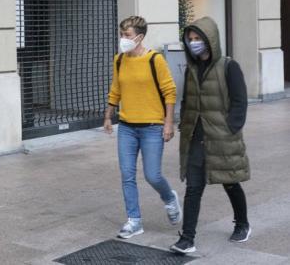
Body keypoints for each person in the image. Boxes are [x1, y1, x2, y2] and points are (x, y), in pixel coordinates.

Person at [170, 17, 250, 255]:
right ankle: (187, 238)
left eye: (198, 39)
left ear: (210, 40)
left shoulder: (228, 66)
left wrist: (231, 128)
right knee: (194, 187)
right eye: (191, 39)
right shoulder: (192, 68)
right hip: (196, 136)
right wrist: (185, 125)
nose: (194, 43)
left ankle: (242, 224)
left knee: (230, 182)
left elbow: (240, 101)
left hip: (221, 135)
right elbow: (188, 101)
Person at [104, 16, 181, 239]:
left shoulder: (154, 60)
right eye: (121, 34)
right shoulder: (119, 60)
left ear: (139, 37)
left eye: (126, 35)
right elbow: (115, 90)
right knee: (127, 175)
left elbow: (170, 91)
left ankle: (169, 198)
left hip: (152, 127)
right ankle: (134, 221)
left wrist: (168, 123)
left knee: (152, 175)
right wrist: (108, 117)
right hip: (127, 127)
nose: (122, 39)